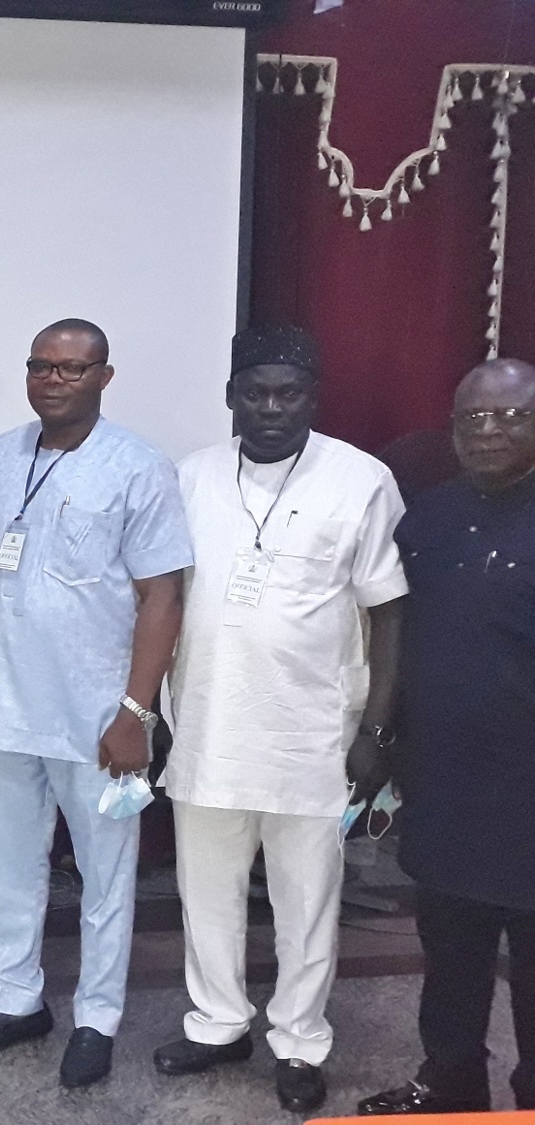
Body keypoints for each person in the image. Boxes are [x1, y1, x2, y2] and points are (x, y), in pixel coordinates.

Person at [152, 326, 407, 1113]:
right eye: (254, 392)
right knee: (207, 892)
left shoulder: (360, 479)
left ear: (313, 397)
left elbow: (390, 610)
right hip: (207, 725)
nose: (270, 407)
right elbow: (161, 599)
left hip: (312, 734)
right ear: (230, 395)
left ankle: (300, 1039)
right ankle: (218, 1022)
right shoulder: (191, 476)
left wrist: (377, 731)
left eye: (287, 392)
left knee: (307, 900)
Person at [0, 318, 191, 1087]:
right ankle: (18, 998)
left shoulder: (138, 467)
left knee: (105, 876)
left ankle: (97, 1017)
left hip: (97, 719)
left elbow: (163, 595)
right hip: (5, 709)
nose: (53, 380)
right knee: (12, 869)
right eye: (41, 366)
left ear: (104, 377)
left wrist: (137, 711)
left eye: (72, 368)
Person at [359, 357, 535, 1116]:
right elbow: (393, 634)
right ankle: (452, 1083)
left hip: (529, 790)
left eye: (511, 416)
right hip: (446, 782)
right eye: (472, 418)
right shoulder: (426, 517)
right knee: (451, 948)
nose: (488, 431)